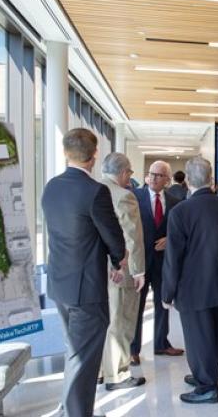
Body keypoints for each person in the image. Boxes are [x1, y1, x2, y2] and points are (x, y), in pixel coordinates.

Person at [42, 128, 126, 417]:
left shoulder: (51, 187)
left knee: (75, 352)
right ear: (94, 156)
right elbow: (113, 235)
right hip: (86, 289)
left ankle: (70, 409)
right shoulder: (95, 191)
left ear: (66, 153)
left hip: (59, 285)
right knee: (83, 360)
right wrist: (118, 260)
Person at [162, 156, 218, 404]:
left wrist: (167, 293)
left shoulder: (180, 211)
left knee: (198, 337)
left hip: (192, 286)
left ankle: (207, 386)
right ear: (210, 178)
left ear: (187, 179)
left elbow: (173, 257)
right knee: (217, 333)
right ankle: (206, 374)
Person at [99, 153, 147, 391]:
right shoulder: (123, 195)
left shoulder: (93, 190)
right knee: (122, 320)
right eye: (129, 172)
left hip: (98, 269)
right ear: (122, 172)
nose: (130, 177)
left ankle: (101, 370)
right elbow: (132, 237)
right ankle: (117, 374)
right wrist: (138, 271)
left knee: (104, 321)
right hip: (121, 269)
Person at [131, 160, 184, 364]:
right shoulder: (135, 197)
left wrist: (170, 239)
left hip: (163, 262)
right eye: (151, 173)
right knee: (137, 306)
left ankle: (161, 343)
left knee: (163, 303)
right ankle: (133, 348)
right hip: (141, 261)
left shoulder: (175, 201)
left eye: (159, 175)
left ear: (167, 180)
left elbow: (181, 230)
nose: (153, 178)